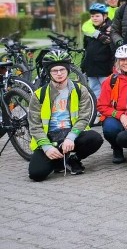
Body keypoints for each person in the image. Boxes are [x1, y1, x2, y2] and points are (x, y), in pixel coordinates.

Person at [27, 49, 101, 181]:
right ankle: (59, 160)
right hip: (50, 137)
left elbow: (84, 118)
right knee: (36, 174)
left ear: (68, 70)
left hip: (71, 133)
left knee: (95, 138)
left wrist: (71, 137)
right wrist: (46, 147)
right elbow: (34, 125)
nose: (59, 73)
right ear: (49, 73)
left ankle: (74, 159)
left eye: (62, 69)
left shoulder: (80, 90)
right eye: (54, 71)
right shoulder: (39, 95)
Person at [81, 3, 114, 99]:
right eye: (92, 16)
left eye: (97, 16)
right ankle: (98, 110)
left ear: (105, 16)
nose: (94, 18)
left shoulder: (110, 30)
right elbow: (86, 49)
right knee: (95, 91)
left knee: (107, 91)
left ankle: (107, 111)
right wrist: (84, 65)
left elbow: (113, 51)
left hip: (105, 68)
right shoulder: (90, 32)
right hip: (91, 68)